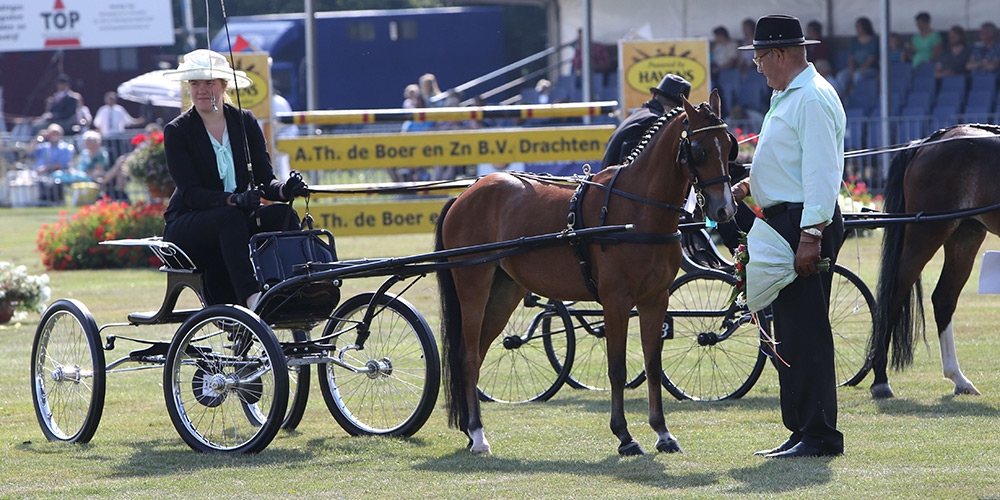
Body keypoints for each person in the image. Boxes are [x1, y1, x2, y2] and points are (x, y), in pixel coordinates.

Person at [734, 14, 846, 458]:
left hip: (803, 224)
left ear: (779, 54)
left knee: (807, 333)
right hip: (787, 221)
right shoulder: (788, 95)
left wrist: (811, 235)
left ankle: (819, 434)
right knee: (790, 334)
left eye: (760, 58)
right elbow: (790, 165)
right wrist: (753, 187)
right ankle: (802, 428)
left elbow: (822, 173)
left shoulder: (811, 98)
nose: (757, 66)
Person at [160, 49, 309, 309]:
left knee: (282, 215)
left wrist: (286, 189)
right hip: (188, 223)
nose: (202, 90)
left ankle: (294, 290)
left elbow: (265, 180)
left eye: (209, 83)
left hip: (235, 221)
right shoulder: (177, 131)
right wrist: (233, 199)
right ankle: (253, 300)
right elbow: (191, 192)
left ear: (223, 85)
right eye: (195, 83)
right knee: (229, 217)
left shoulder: (245, 121)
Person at [600, 73, 691, 169]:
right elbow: (631, 168)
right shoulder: (654, 122)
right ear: (681, 109)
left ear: (654, 95)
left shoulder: (638, 115)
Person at [833, 17, 878, 96]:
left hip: (870, 69)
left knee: (858, 76)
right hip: (855, 69)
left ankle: (856, 96)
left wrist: (858, 70)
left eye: (859, 27)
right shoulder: (854, 40)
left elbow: (871, 59)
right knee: (841, 76)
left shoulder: (874, 40)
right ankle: (840, 98)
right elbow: (851, 57)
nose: (857, 29)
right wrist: (852, 69)